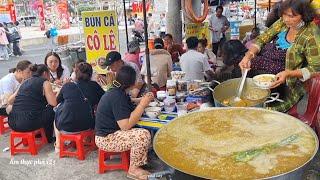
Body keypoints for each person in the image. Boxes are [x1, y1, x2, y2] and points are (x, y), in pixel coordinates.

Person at [239, 0, 320, 112]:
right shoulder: (283, 22)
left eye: (291, 16)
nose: (286, 19)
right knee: (246, 67)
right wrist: (248, 55)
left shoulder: (310, 36)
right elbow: (262, 39)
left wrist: (288, 73)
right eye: (284, 14)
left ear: (304, 15)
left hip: (288, 81)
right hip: (270, 61)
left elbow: (316, 69)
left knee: (265, 108)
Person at [95, 65, 153, 180]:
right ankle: (134, 170)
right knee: (143, 135)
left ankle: (139, 160)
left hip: (110, 133)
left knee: (141, 128)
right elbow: (125, 126)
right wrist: (142, 105)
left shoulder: (117, 90)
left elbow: (128, 101)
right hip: (107, 139)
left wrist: (141, 100)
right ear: (131, 83)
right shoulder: (117, 96)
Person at [54, 62, 104, 152]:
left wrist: (64, 86)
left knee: (59, 109)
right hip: (87, 125)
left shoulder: (67, 86)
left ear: (75, 73)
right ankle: (88, 139)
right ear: (91, 74)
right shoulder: (94, 86)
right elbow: (103, 101)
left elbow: (56, 102)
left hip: (65, 127)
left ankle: (58, 145)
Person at [8, 64, 57, 142]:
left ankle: (39, 134)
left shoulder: (24, 82)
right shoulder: (44, 82)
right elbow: (53, 103)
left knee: (39, 110)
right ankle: (50, 137)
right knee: (53, 109)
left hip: (13, 122)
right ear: (45, 73)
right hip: (29, 122)